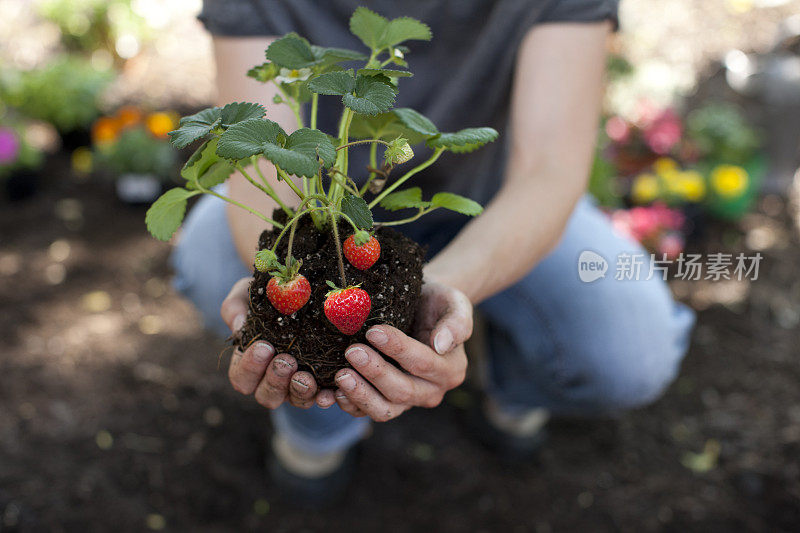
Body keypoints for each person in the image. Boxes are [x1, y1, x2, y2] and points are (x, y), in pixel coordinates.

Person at [172, 0, 695, 499]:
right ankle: (319, 421)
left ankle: (510, 383)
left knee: (629, 354)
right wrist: (283, 279)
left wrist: (441, 296)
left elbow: (549, 170)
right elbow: (265, 153)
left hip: (492, 200)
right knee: (213, 262)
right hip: (319, 213)